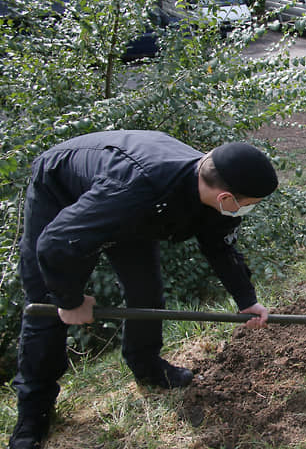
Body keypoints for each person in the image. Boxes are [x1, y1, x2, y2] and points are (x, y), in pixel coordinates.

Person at [10, 130, 279, 449]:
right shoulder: (135, 190)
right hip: (62, 189)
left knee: (146, 293)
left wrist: (247, 300)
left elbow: (220, 248)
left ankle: (147, 366)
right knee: (46, 304)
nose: (247, 210)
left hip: (132, 206)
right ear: (226, 198)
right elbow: (55, 244)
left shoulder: (214, 192)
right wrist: (69, 300)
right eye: (249, 205)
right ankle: (33, 412)